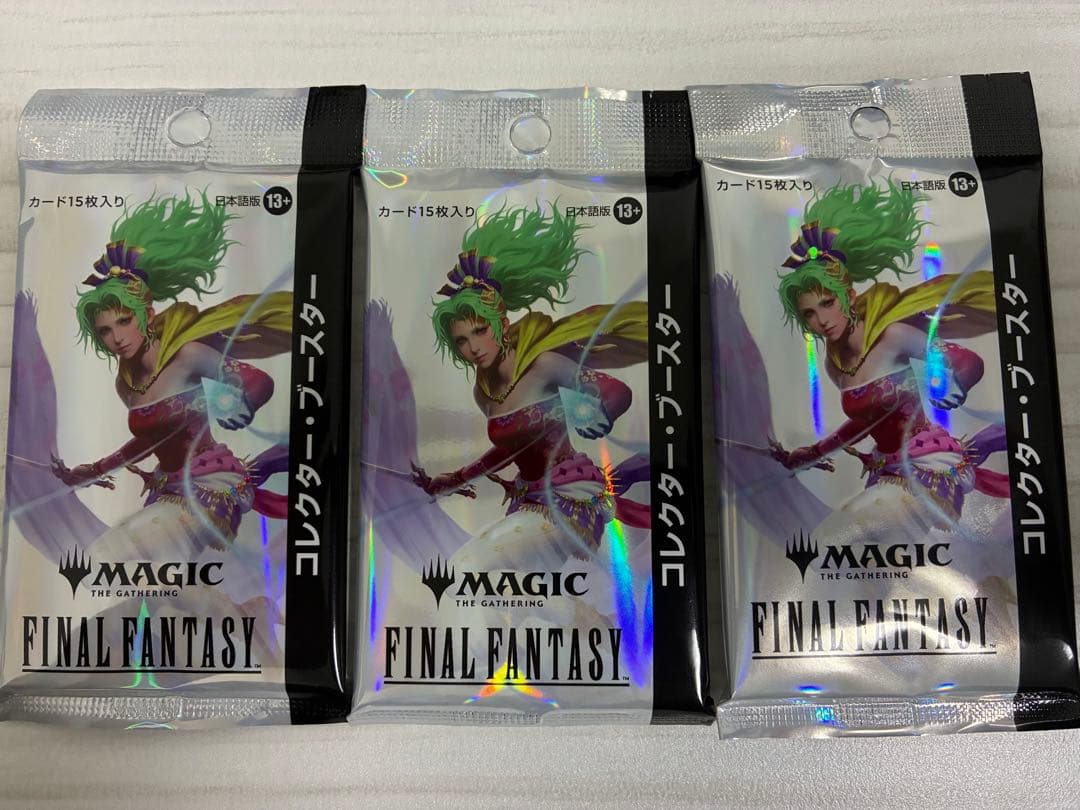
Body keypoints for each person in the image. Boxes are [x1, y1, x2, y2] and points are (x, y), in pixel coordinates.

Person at [50, 191, 292, 559]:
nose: (117, 338)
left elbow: (258, 381)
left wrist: (237, 404)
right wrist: (93, 470)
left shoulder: (187, 356)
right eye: (105, 331)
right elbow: (149, 440)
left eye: (124, 321)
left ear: (146, 314)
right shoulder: (126, 384)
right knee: (149, 583)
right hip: (168, 489)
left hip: (210, 484)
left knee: (106, 557)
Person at [412, 204, 650, 568]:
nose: (473, 347)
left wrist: (595, 414)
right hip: (528, 499)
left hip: (569, 497)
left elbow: (617, 391)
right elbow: (509, 449)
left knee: (467, 567)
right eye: (461, 340)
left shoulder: (543, 366)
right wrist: (456, 479)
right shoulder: (484, 393)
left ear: (502, 325)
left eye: (480, 331)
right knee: (525, 595)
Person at [770, 181, 1009, 535]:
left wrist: (951, 381)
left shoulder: (892, 336)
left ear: (849, 296)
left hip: (926, 464)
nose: (821, 320)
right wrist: (813, 452)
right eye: (809, 314)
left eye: (827, 303)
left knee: (841, 535)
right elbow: (864, 422)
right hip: (887, 471)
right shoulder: (836, 366)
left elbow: (966, 360)